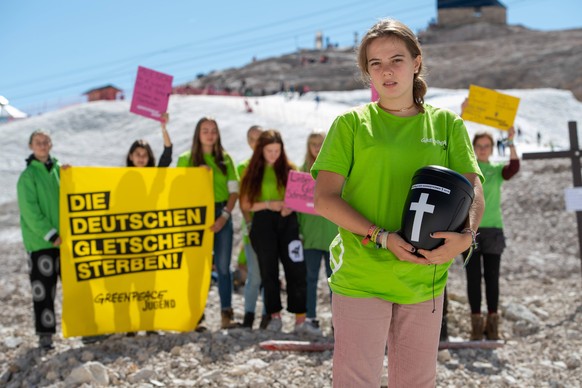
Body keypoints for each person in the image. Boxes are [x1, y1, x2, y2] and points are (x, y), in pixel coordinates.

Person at [311, 19, 484, 386]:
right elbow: (325, 200)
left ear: (417, 61)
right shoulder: (350, 125)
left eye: (397, 59)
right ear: (367, 72)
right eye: (375, 63)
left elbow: (473, 191)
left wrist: (467, 237)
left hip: (424, 279)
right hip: (361, 275)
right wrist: (381, 236)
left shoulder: (448, 126)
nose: (386, 70)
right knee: (357, 380)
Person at [239, 130, 310, 334]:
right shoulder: (251, 171)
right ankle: (274, 316)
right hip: (262, 223)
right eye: (269, 150)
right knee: (268, 270)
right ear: (260, 150)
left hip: (288, 223)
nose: (273, 155)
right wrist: (270, 204)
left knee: (296, 267)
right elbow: (246, 204)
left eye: (277, 150)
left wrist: (290, 206)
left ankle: (300, 319)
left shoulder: (290, 169)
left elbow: (300, 198)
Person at [177, 117, 240, 329]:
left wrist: (224, 216)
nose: (210, 134)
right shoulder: (185, 159)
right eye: (205, 130)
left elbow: (234, 191)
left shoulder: (226, 159)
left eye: (213, 130)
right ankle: (195, 316)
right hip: (195, 217)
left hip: (222, 213)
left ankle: (226, 315)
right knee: (196, 268)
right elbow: (178, 190)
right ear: (198, 133)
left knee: (223, 267)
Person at [466, 127, 519, 340]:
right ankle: (476, 326)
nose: (483, 149)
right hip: (469, 230)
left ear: (491, 147)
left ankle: (493, 324)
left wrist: (510, 141)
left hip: (494, 231)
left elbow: (514, 166)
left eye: (487, 145)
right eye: (479, 146)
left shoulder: (497, 169)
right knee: (473, 278)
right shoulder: (468, 169)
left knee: (492, 277)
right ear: (473, 147)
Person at [17, 130, 66, 350]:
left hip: (65, 242)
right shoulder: (28, 176)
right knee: (44, 291)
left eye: (46, 142)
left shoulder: (60, 171)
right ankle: (45, 334)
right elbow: (30, 211)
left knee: (76, 287)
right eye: (38, 142)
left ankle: (86, 329)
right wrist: (50, 234)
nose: (43, 145)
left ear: (51, 144)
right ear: (31, 146)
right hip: (41, 244)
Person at [297, 131, 336, 335]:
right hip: (310, 237)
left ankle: (336, 320)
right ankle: (311, 318)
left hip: (333, 236)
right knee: (310, 278)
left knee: (335, 280)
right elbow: (295, 207)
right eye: (313, 144)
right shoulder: (301, 173)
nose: (317, 148)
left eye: (320, 144)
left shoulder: (336, 169)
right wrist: (298, 232)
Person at [236, 125, 267, 329]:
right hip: (253, 228)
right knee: (254, 275)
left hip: (274, 230)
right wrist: (248, 224)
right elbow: (242, 200)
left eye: (260, 138)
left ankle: (268, 315)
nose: (256, 143)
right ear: (248, 142)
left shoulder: (275, 164)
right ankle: (248, 316)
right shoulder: (243, 167)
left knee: (270, 275)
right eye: (252, 139)